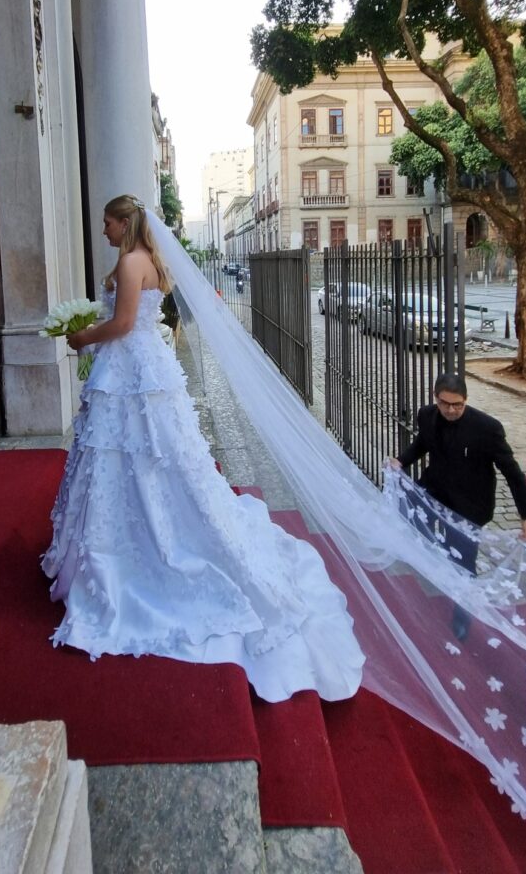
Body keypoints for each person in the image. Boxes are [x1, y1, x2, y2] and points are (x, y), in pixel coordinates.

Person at [41, 195, 364, 703]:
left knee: (129, 453)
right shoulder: (151, 261)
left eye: (107, 222)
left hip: (129, 367)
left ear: (124, 223)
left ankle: (131, 547)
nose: (102, 229)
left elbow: (122, 325)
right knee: (155, 457)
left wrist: (83, 338)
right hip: (146, 366)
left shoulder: (129, 262)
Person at [393, 371, 526, 638]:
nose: (451, 410)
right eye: (445, 404)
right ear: (436, 399)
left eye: (457, 405)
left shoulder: (487, 428)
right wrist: (401, 461)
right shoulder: (426, 415)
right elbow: (422, 444)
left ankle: (463, 614)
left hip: (469, 505)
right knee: (413, 527)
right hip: (434, 492)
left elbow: (513, 473)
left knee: (463, 561)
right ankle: (435, 569)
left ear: (466, 400)